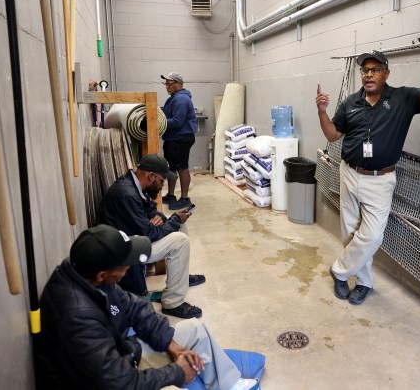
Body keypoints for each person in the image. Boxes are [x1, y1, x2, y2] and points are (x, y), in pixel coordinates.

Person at [315, 33, 420, 305]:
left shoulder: (402, 99)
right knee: (350, 233)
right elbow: (334, 135)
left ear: (386, 73)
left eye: (375, 70)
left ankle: (338, 271)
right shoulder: (350, 102)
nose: (368, 75)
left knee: (371, 235)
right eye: (365, 70)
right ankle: (364, 283)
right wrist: (323, 112)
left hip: (380, 179)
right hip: (349, 172)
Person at [35, 224, 260, 390]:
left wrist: (173, 346)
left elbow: (134, 308)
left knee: (194, 329)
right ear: (103, 274)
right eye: (125, 266)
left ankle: (230, 384)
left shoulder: (88, 276)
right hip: (109, 380)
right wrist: (176, 373)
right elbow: (119, 383)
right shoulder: (77, 317)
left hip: (122, 354)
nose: (128, 269)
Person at [97, 153, 206, 319]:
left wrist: (162, 218)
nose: (163, 185)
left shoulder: (135, 185)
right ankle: (173, 303)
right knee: (180, 240)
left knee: (180, 225)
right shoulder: (127, 194)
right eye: (162, 181)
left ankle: (180, 279)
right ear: (151, 176)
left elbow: (152, 211)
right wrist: (173, 220)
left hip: (135, 240)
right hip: (124, 252)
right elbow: (148, 233)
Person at [160, 72, 198, 210]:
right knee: (172, 168)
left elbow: (177, 121)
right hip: (173, 138)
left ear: (177, 84)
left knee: (182, 167)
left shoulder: (181, 99)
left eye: (169, 84)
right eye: (165, 84)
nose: (166, 87)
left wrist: (158, 122)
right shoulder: (174, 98)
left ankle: (185, 198)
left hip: (180, 138)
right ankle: (171, 195)